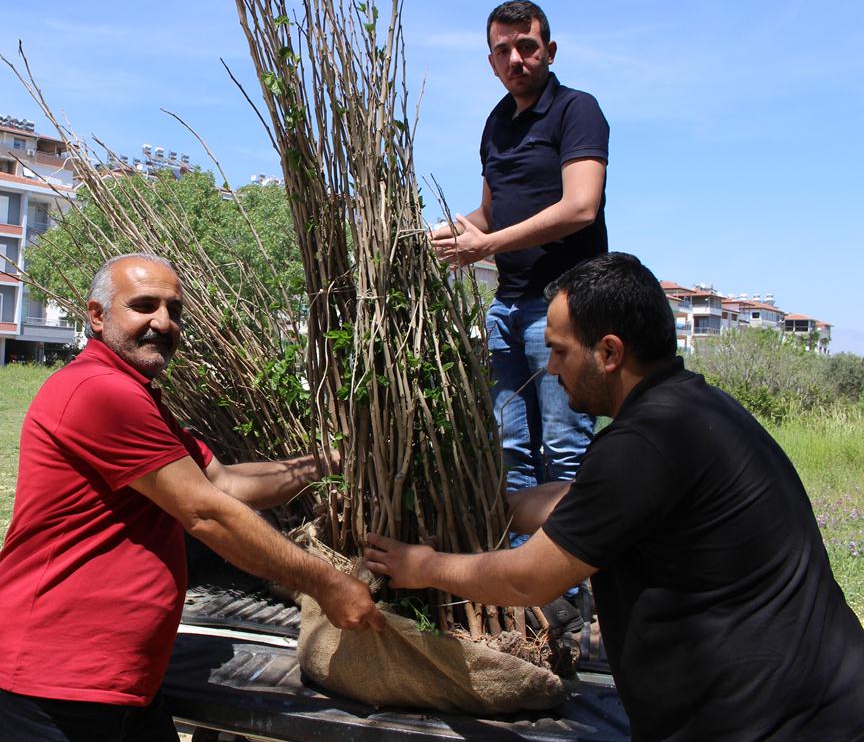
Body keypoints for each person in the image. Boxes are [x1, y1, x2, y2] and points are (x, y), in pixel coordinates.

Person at [365, 253, 864, 740]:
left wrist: (423, 566)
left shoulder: (641, 444)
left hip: (773, 722)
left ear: (609, 352)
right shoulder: (693, 409)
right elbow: (584, 504)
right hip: (824, 699)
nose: (551, 371)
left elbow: (527, 580)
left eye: (559, 351)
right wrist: (491, 510)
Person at [0, 253, 384, 742]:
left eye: (174, 310)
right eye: (143, 306)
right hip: (44, 689)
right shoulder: (99, 392)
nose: (162, 322)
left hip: (122, 688)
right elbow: (206, 513)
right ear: (96, 316)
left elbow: (225, 483)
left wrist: (332, 463)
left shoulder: (137, 396)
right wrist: (326, 583)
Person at [431, 0, 609, 517]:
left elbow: (580, 206)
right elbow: (489, 212)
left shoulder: (577, 110)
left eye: (527, 47)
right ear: (491, 62)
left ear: (549, 52)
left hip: (562, 309)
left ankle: (572, 591)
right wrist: (443, 234)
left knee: (564, 450)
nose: (516, 59)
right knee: (509, 448)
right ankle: (523, 579)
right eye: (503, 51)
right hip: (507, 310)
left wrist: (484, 247)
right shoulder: (496, 124)